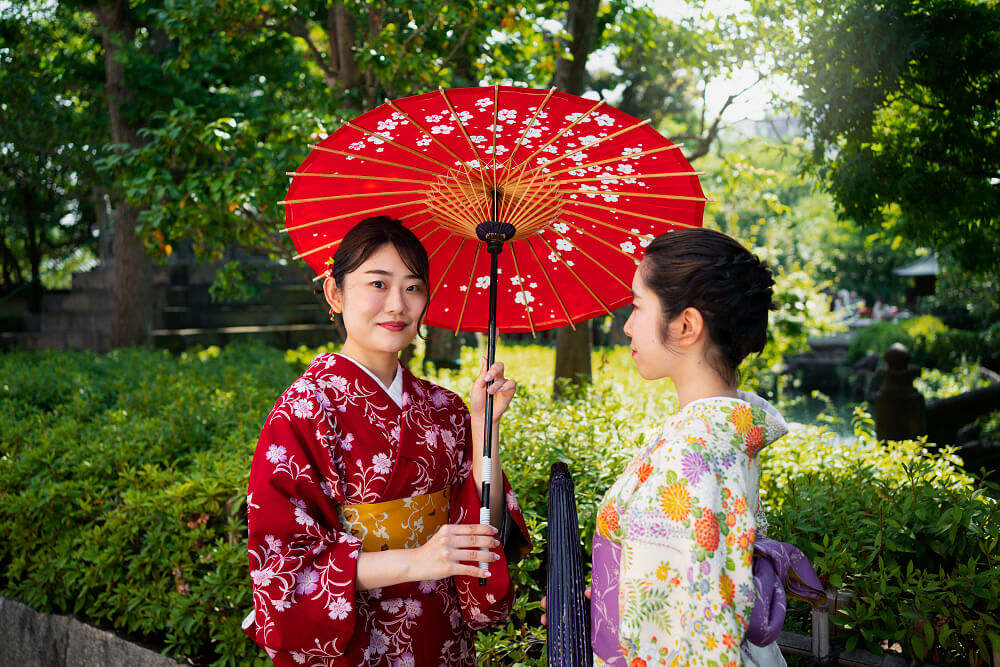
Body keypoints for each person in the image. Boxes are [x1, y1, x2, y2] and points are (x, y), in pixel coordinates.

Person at [243, 216, 531, 666]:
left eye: (413, 287)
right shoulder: (302, 412)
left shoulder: (446, 407)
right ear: (334, 293)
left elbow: (483, 528)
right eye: (378, 283)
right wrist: (417, 560)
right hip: (355, 640)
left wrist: (484, 428)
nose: (397, 304)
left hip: (440, 634)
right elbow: (285, 567)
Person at [588, 228, 789, 666]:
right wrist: (602, 600)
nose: (626, 326)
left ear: (686, 325)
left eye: (638, 306)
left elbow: (692, 630)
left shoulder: (690, 452)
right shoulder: (731, 425)